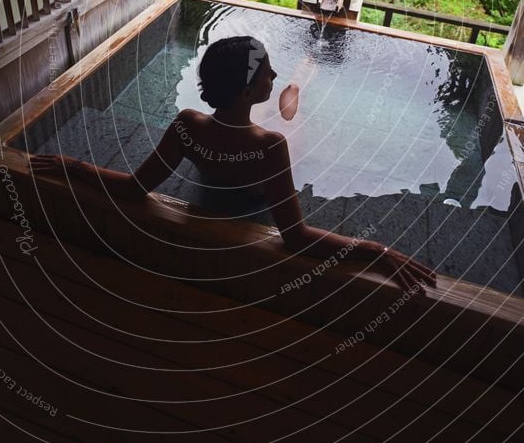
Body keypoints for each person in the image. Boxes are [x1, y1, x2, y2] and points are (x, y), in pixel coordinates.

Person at [31, 35, 436, 293]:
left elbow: (134, 188)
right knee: (293, 115)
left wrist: (74, 166)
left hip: (221, 158)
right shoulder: (271, 147)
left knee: (281, 113)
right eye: (265, 73)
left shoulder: (188, 124)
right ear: (246, 90)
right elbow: (295, 237)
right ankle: (301, 81)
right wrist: (376, 250)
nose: (270, 73)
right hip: (255, 181)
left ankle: (298, 82)